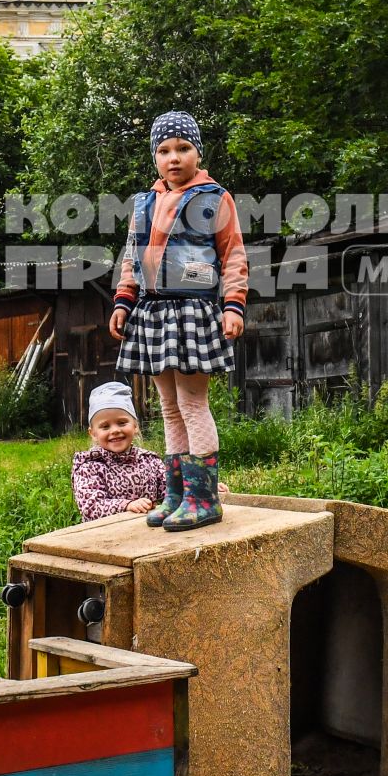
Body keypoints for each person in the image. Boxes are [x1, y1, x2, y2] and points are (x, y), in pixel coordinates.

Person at [109, 111, 247, 531]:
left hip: (192, 309)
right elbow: (132, 256)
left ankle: (204, 499)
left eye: (183, 148)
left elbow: (233, 254)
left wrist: (233, 304)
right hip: (152, 311)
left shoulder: (214, 197)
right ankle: (177, 494)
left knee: (191, 403)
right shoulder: (143, 203)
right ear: (155, 156)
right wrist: (123, 300)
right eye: (164, 150)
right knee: (168, 407)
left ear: (198, 153)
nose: (174, 157)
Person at [71, 381, 165, 521]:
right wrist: (127, 505)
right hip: (104, 537)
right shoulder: (89, 467)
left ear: (135, 426)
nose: (115, 430)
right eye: (105, 426)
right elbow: (91, 507)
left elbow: (171, 491)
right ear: (93, 434)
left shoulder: (150, 461)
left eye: (122, 423)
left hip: (148, 534)